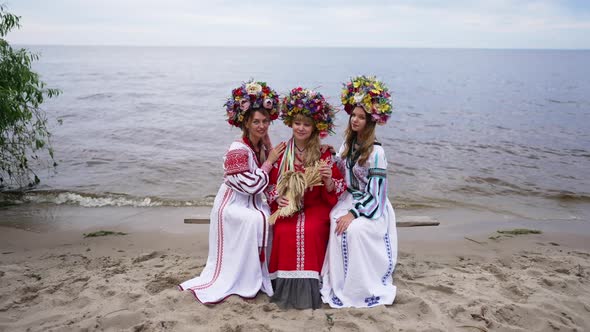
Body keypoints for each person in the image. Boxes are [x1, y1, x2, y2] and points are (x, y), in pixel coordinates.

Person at [179, 80, 285, 304]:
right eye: (256, 121)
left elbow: (266, 184)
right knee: (257, 219)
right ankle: (245, 276)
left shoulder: (259, 146)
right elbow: (250, 186)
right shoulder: (237, 149)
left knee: (269, 217)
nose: (262, 126)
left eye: (265, 121)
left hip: (249, 200)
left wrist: (277, 196)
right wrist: (270, 161)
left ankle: (260, 273)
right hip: (232, 204)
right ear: (246, 122)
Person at [320, 75, 398, 308]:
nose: (355, 120)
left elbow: (377, 194)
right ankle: (340, 282)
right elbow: (343, 173)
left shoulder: (376, 153)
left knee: (353, 230)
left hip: (372, 205)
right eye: (353, 115)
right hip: (350, 198)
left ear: (370, 122)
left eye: (361, 117)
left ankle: (360, 284)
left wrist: (353, 213)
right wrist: (330, 156)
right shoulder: (347, 145)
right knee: (334, 221)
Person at [265, 87, 345, 309]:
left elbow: (338, 188)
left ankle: (311, 290)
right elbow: (270, 186)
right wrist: (278, 199)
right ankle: (282, 287)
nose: (301, 128)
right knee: (283, 230)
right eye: (297, 123)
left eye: (307, 124)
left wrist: (328, 181)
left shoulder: (324, 154)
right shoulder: (282, 153)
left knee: (311, 230)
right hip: (288, 207)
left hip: (315, 206)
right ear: (291, 122)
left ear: (315, 128)